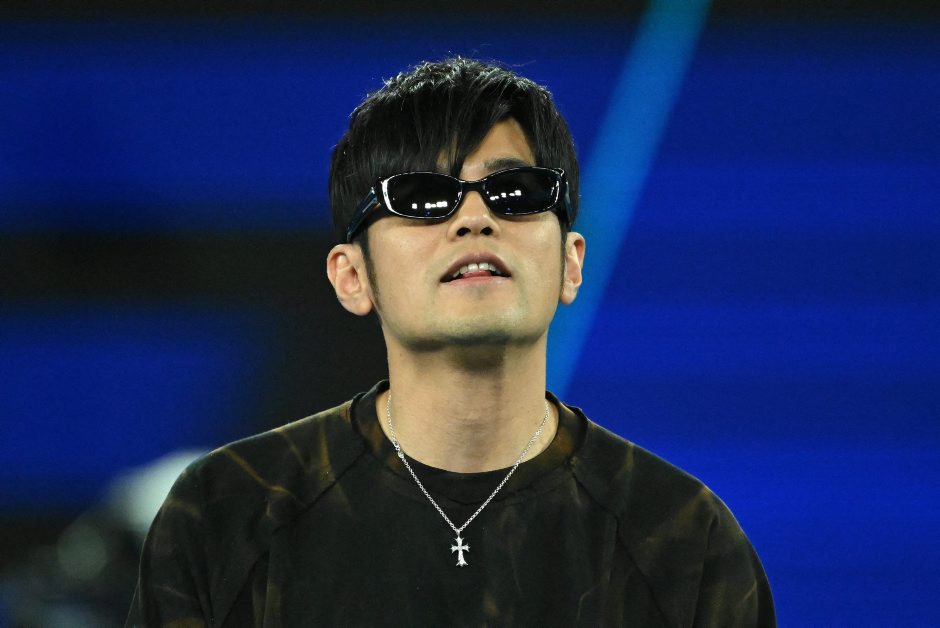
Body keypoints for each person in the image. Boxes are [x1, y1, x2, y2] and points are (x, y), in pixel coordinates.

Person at [127, 57, 775, 627]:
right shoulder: (227, 513)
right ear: (352, 277)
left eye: (514, 192)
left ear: (571, 264)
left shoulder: (682, 537)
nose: (474, 218)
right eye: (421, 197)